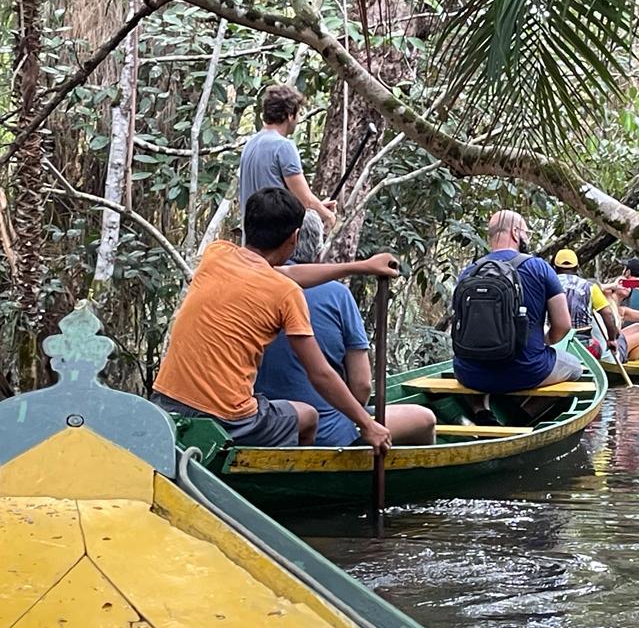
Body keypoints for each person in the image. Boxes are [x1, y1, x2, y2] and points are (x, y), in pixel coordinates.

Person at [152, 187, 397, 453]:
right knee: (308, 416)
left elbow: (286, 271)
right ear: (294, 238)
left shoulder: (216, 254)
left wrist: (360, 267)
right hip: (230, 418)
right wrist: (367, 424)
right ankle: (294, 482)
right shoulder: (286, 293)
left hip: (166, 401)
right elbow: (320, 373)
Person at [255, 211, 436, 447]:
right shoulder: (336, 295)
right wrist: (358, 418)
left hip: (265, 424)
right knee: (426, 419)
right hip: (326, 430)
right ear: (316, 247)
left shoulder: (250, 285)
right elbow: (362, 385)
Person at [453, 210, 581, 425]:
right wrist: (545, 343)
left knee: (465, 361)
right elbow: (563, 325)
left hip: (472, 375)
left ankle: (481, 411)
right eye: (526, 232)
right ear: (515, 232)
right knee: (575, 368)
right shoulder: (539, 267)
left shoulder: (469, 272)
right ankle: (524, 416)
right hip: (528, 371)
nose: (527, 237)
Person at [239, 84, 336, 229]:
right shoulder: (283, 146)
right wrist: (328, 216)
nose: (298, 120)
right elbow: (306, 200)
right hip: (276, 241)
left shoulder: (250, 144)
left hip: (252, 239)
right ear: (290, 115)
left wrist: (317, 207)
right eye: (298, 114)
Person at [552, 248, 618, 358]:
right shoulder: (590, 287)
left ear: (554, 268)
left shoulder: (546, 284)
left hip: (554, 341)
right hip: (584, 345)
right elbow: (607, 313)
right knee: (596, 347)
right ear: (577, 267)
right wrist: (612, 340)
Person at [604, 278, 639, 361]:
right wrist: (613, 285)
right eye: (622, 283)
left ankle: (625, 355)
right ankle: (626, 360)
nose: (625, 286)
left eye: (628, 284)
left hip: (614, 340)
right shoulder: (606, 296)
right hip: (608, 345)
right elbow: (593, 287)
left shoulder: (622, 310)